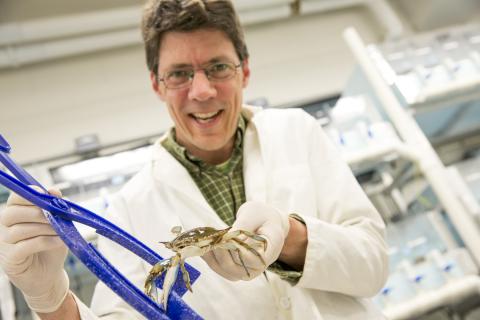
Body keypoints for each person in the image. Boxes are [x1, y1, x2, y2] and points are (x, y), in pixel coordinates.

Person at [0, 0, 388, 319]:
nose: (201, 91)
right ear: (157, 84)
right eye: (180, 74)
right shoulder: (130, 208)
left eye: (218, 67)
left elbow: (374, 265)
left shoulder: (296, 131)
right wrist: (50, 300)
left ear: (245, 70)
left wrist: (290, 236)